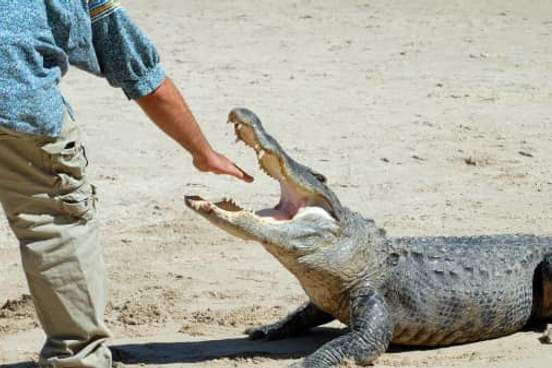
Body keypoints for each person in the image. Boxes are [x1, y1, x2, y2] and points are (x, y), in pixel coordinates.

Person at [0, 1, 253, 367]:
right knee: (55, 225)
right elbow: (142, 76)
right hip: (21, 107)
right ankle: (78, 357)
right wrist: (203, 153)